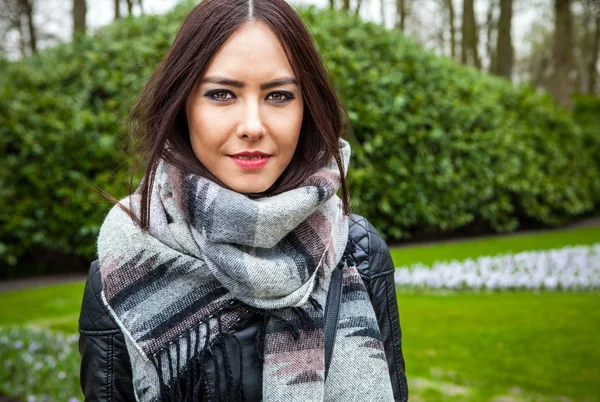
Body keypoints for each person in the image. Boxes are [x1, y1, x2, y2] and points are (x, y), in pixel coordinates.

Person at [77, 0, 408, 401]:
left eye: (279, 96)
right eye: (221, 94)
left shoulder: (360, 253)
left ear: (307, 108)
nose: (252, 126)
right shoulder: (124, 265)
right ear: (184, 106)